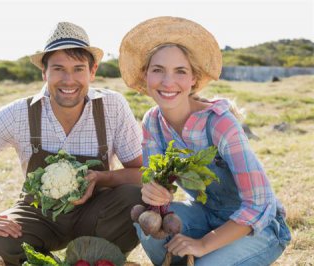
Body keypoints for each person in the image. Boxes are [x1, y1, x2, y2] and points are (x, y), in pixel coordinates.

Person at [0, 21, 143, 265]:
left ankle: (96, 259)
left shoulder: (112, 106)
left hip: (96, 215)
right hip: (39, 214)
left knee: (135, 197)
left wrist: (102, 178)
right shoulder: (20, 113)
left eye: (78, 68)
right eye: (58, 69)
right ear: (44, 73)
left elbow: (142, 173)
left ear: (92, 71)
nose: (68, 80)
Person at [118, 16, 291, 265]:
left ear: (193, 79)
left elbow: (259, 204)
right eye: (158, 70)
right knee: (146, 224)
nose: (168, 82)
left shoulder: (219, 123)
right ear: (146, 76)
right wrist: (154, 190)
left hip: (259, 228)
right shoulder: (152, 121)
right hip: (205, 215)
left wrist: (203, 244)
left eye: (180, 71)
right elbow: (154, 178)